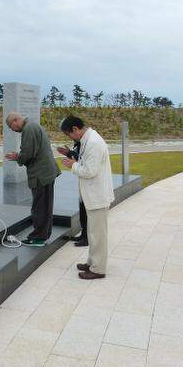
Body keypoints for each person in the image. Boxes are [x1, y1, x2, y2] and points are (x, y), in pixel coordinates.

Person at [60, 115, 114, 280]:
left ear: (75, 129)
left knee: (98, 235)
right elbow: (86, 162)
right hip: (92, 195)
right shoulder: (88, 139)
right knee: (92, 233)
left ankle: (98, 269)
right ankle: (92, 262)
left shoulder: (93, 143)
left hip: (97, 196)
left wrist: (72, 165)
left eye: (69, 134)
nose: (70, 138)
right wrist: (74, 158)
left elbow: (90, 171)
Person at [4, 112, 61, 247]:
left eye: (12, 127)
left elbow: (28, 153)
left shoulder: (28, 129)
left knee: (39, 207)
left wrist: (17, 157)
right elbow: (33, 150)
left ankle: (38, 238)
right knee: (45, 206)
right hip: (47, 173)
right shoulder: (33, 126)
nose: (13, 130)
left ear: (16, 120)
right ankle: (43, 235)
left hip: (41, 175)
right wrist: (20, 155)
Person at [58, 136, 88, 247]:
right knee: (82, 209)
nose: (69, 136)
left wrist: (70, 157)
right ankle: (84, 235)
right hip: (82, 180)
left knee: (85, 211)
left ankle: (86, 237)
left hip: (88, 183)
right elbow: (78, 157)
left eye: (68, 133)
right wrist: (68, 153)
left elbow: (82, 160)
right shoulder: (79, 142)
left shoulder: (86, 143)